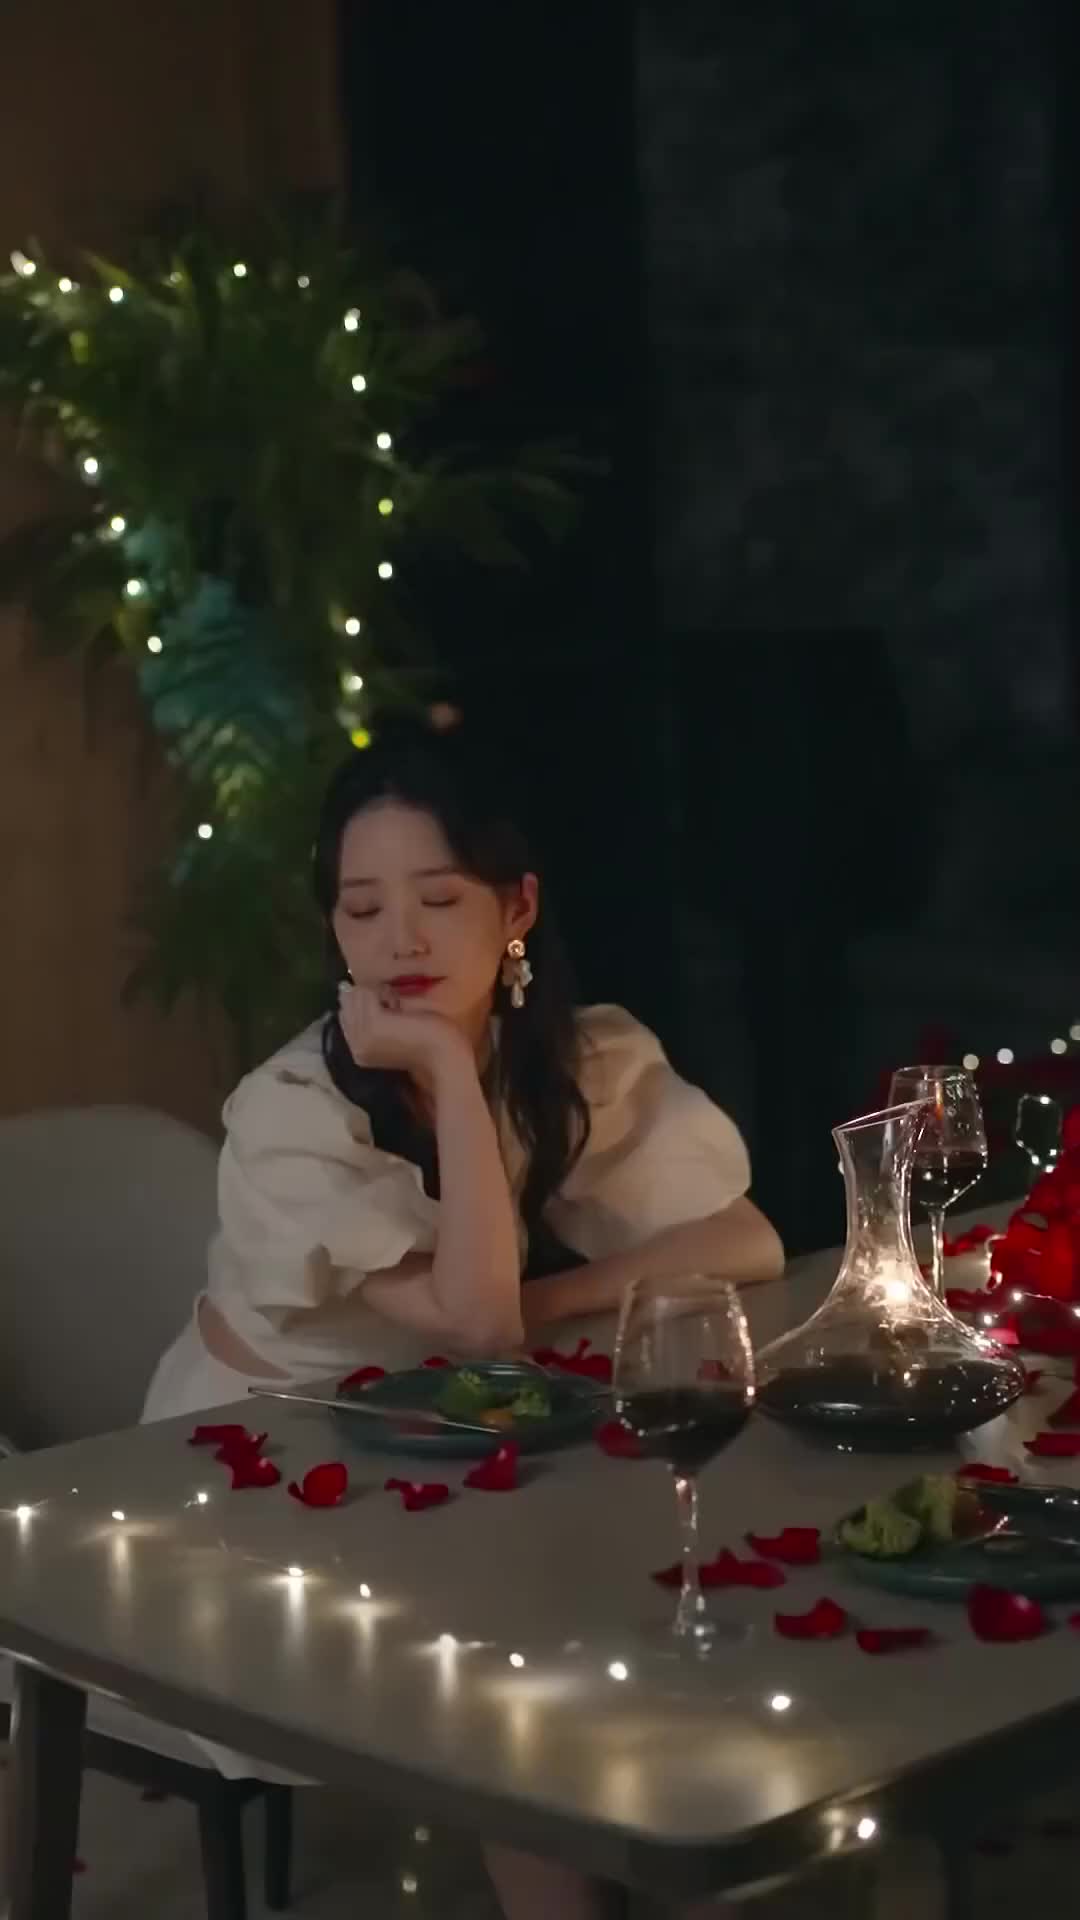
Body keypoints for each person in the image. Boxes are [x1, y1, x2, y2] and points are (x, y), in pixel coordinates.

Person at [142, 711, 784, 1919]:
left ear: (518, 905)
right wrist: (441, 1065)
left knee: (666, 1581)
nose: (400, 941)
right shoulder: (294, 1112)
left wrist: (546, 1299)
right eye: (362, 909)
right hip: (262, 1460)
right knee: (509, 1659)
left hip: (443, 1426)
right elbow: (481, 1327)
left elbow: (741, 1241)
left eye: (438, 899)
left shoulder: (571, 1057)